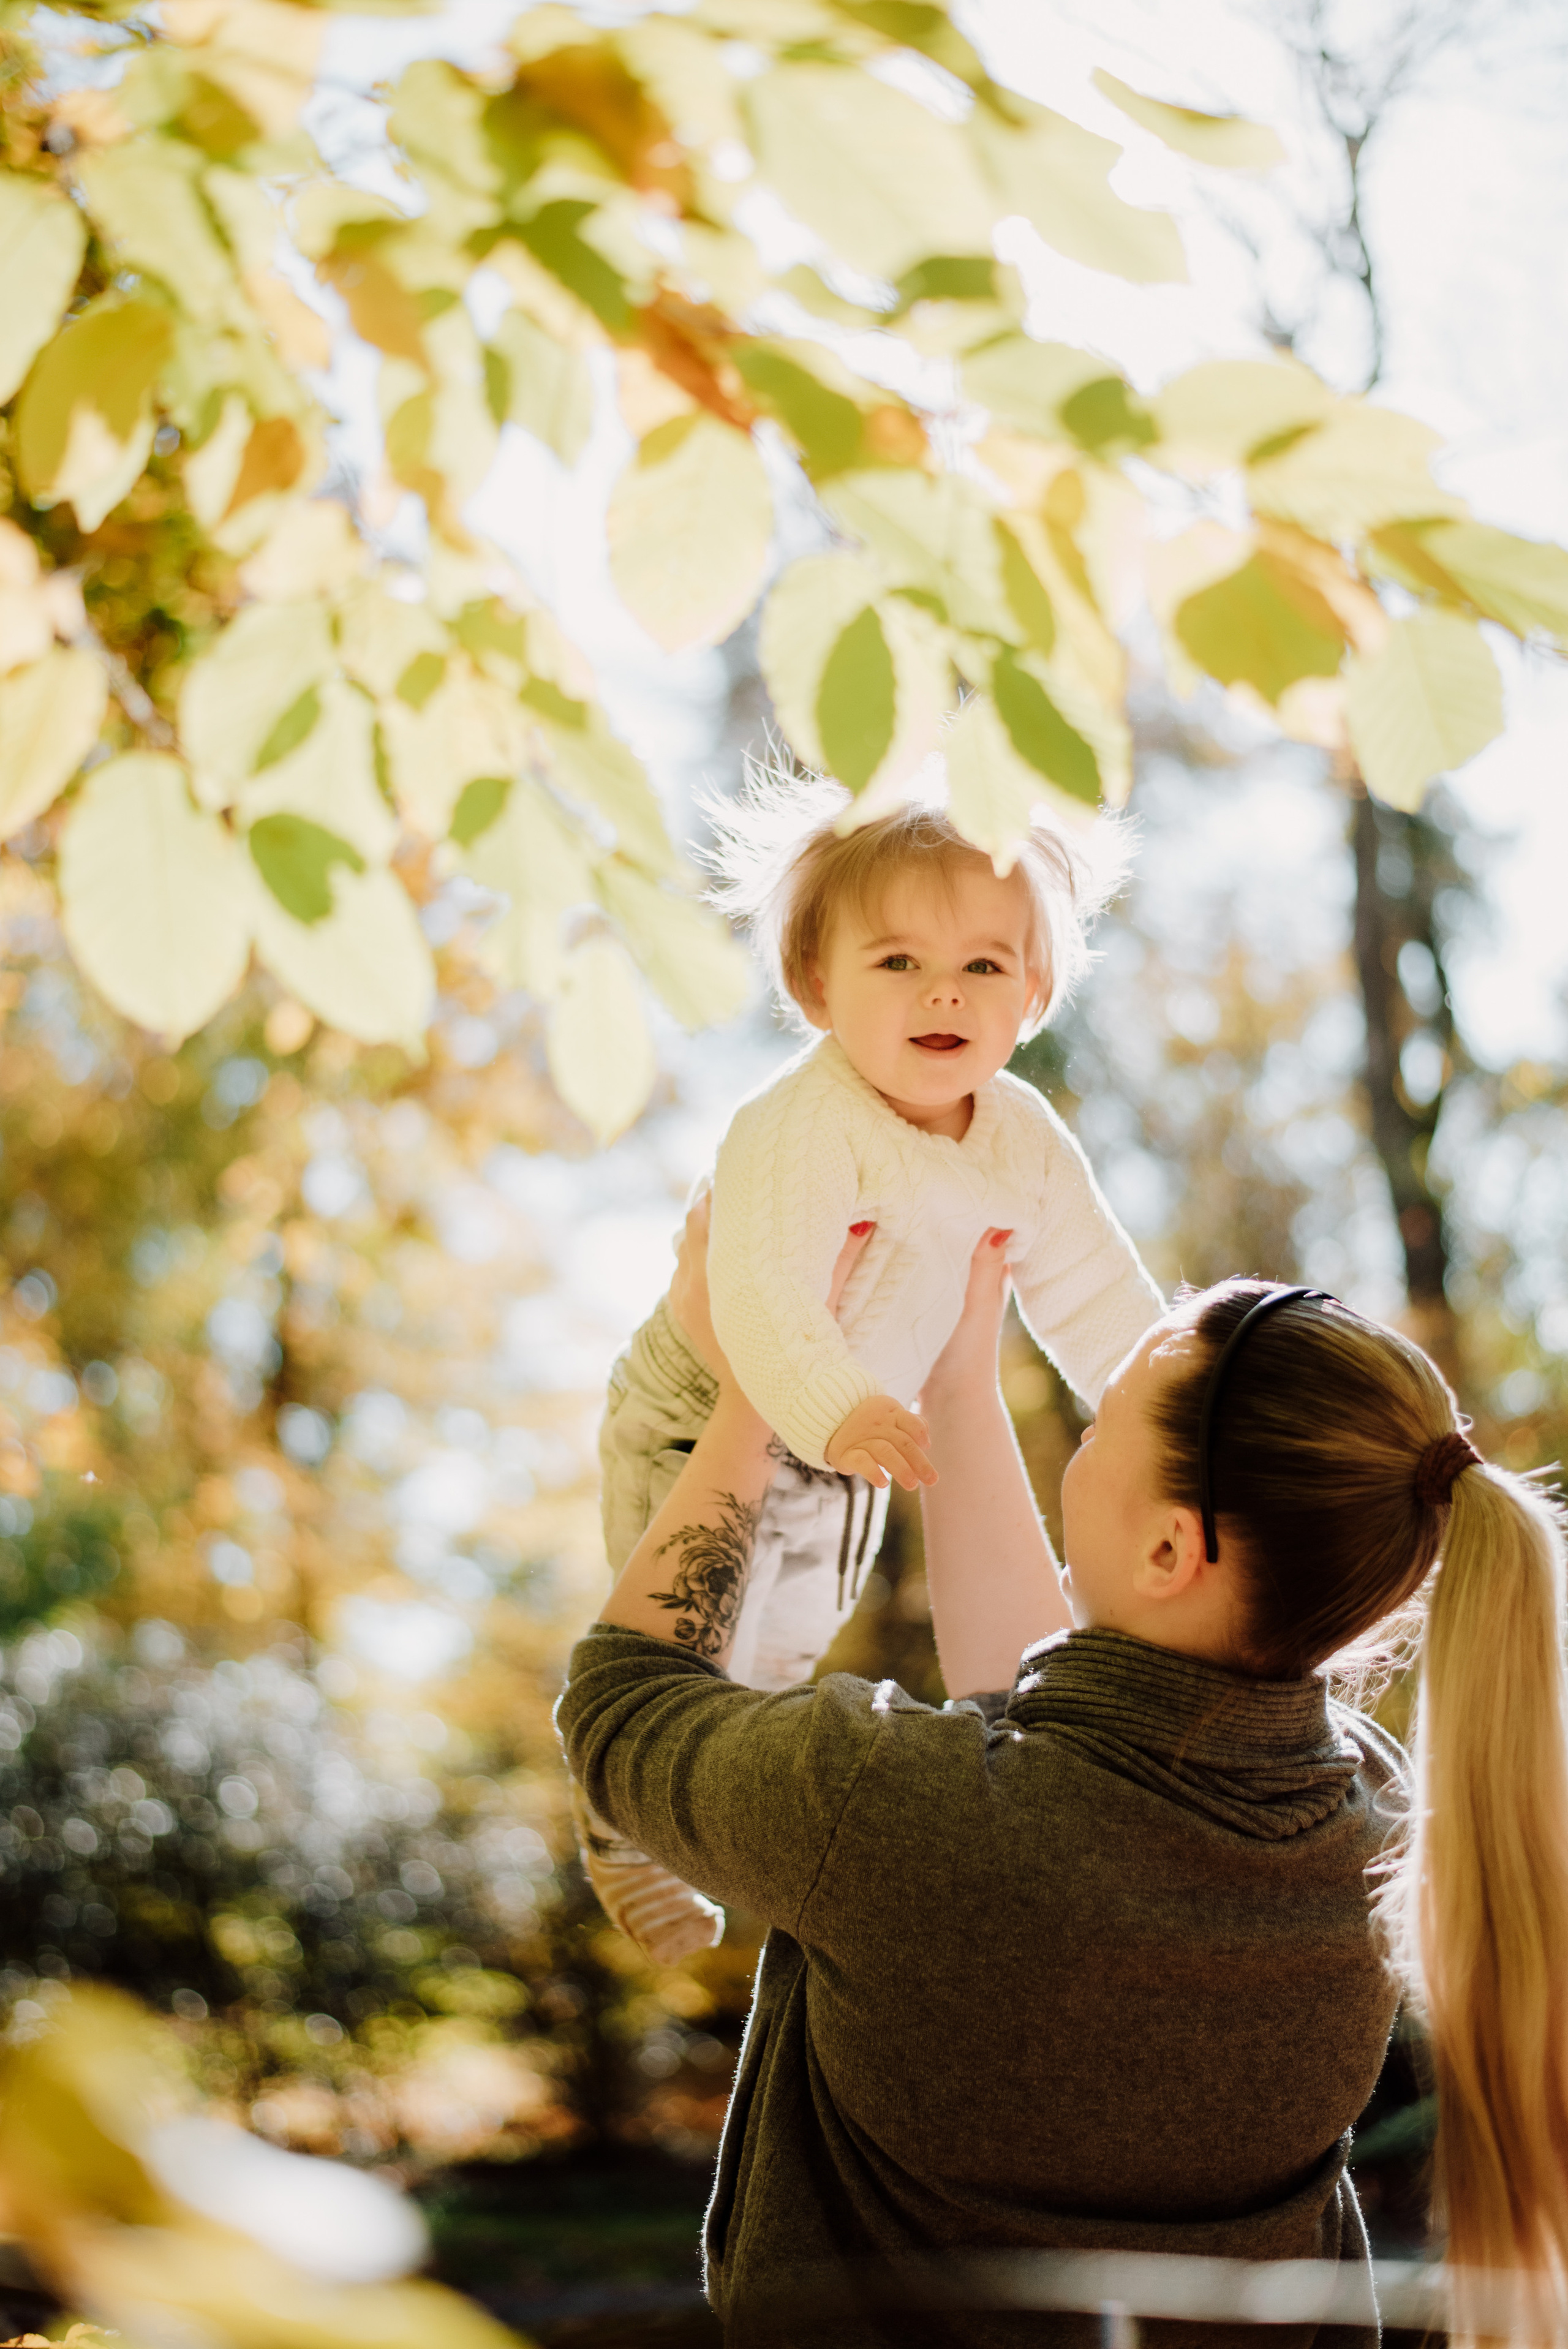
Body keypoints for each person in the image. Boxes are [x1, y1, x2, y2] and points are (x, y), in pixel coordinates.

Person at [557, 1206, 1568, 2348]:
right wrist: (959, 1389)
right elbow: (1051, 1765)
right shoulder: (1371, 1823)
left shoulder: (884, 1812)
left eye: (1097, 1430)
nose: (1079, 1445)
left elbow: (624, 1704)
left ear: (1171, 1549)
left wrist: (757, 1387)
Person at [573, 769, 1163, 1964]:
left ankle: (707, 1823)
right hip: (714, 1405)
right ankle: (622, 1827)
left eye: (984, 965)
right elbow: (762, 1292)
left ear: (1033, 993)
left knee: (785, 1654)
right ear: (814, 985)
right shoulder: (802, 1122)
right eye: (896, 961)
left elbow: (1099, 1293)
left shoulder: (1023, 1142)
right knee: (701, 1640)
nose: (943, 990)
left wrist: (1178, 1410)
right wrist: (835, 1407)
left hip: (855, 1441)